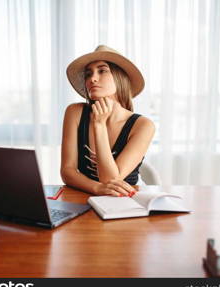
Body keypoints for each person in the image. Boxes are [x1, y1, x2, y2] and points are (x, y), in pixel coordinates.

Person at [61, 45, 155, 196]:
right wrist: (96, 188)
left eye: (102, 70)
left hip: (125, 201)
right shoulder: (74, 112)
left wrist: (99, 125)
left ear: (120, 78)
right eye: (88, 74)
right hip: (85, 195)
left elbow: (110, 180)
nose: (93, 78)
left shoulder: (143, 125)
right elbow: (67, 170)